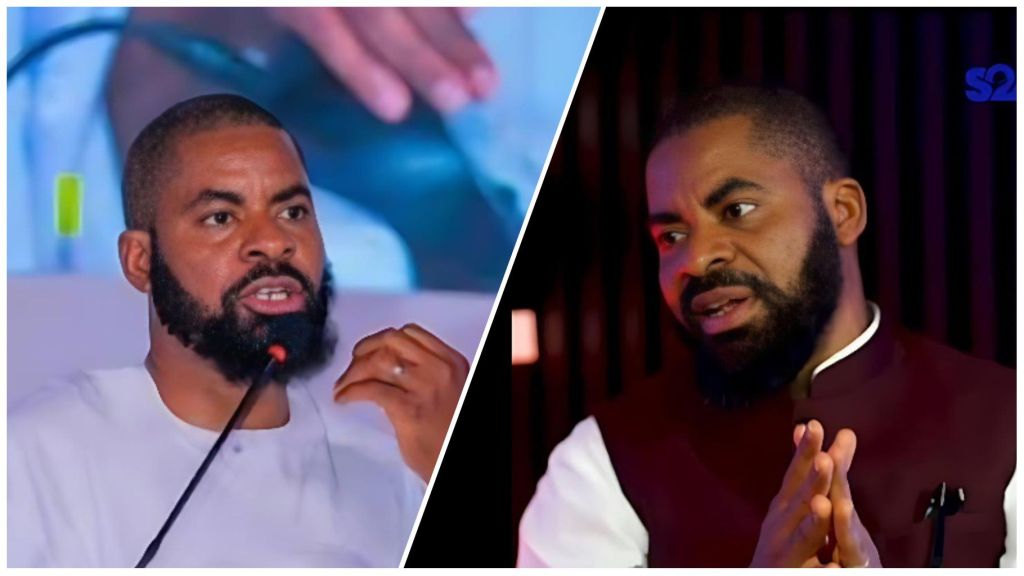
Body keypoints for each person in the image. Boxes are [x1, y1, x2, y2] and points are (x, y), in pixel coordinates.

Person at [517, 86, 1015, 568]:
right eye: (671, 235)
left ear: (842, 213)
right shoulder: (603, 461)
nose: (697, 257)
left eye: (737, 211)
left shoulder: (1005, 417)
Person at [8, 94, 469, 567]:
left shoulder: (393, 470)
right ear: (141, 261)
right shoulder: (35, 458)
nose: (273, 243)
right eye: (221, 218)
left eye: (292, 212)